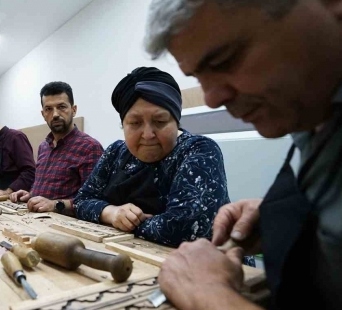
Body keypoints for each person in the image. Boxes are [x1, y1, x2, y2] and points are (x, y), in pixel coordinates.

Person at [145, 0, 342, 310]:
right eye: (199, 76)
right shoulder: (316, 98)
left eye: (225, 59)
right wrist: (290, 219)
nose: (212, 99)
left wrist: (209, 295)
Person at [73, 67, 230, 247]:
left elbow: (184, 228)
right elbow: (82, 201)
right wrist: (113, 213)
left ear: (176, 121)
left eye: (160, 122)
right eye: (135, 123)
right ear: (123, 124)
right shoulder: (115, 152)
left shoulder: (199, 150)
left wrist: (128, 224)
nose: (148, 134)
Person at [10, 82, 103, 215]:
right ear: (43, 114)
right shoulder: (43, 147)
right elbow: (46, 189)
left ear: (74, 109)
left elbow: (94, 200)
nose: (55, 114)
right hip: (34, 219)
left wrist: (54, 205)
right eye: (48, 109)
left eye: (61, 107)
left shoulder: (90, 147)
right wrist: (30, 194)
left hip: (65, 226)